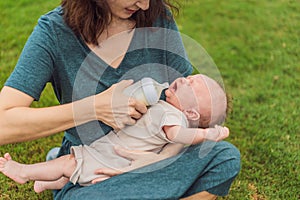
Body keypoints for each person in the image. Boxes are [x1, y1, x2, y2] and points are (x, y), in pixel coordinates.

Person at [0, 0, 240, 199]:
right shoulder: (54, 34)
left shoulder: (156, 18)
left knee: (224, 157)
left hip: (151, 158)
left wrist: (159, 158)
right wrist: (95, 108)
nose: (145, 5)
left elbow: (191, 112)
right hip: (96, 175)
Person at [0, 74, 230, 193]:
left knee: (68, 163)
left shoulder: (174, 118)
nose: (184, 78)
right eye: (190, 77)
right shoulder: (166, 108)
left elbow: (178, 136)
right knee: (73, 170)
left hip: (110, 156)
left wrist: (208, 134)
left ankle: (24, 172)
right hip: (111, 154)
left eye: (190, 84)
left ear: (191, 112)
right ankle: (46, 184)